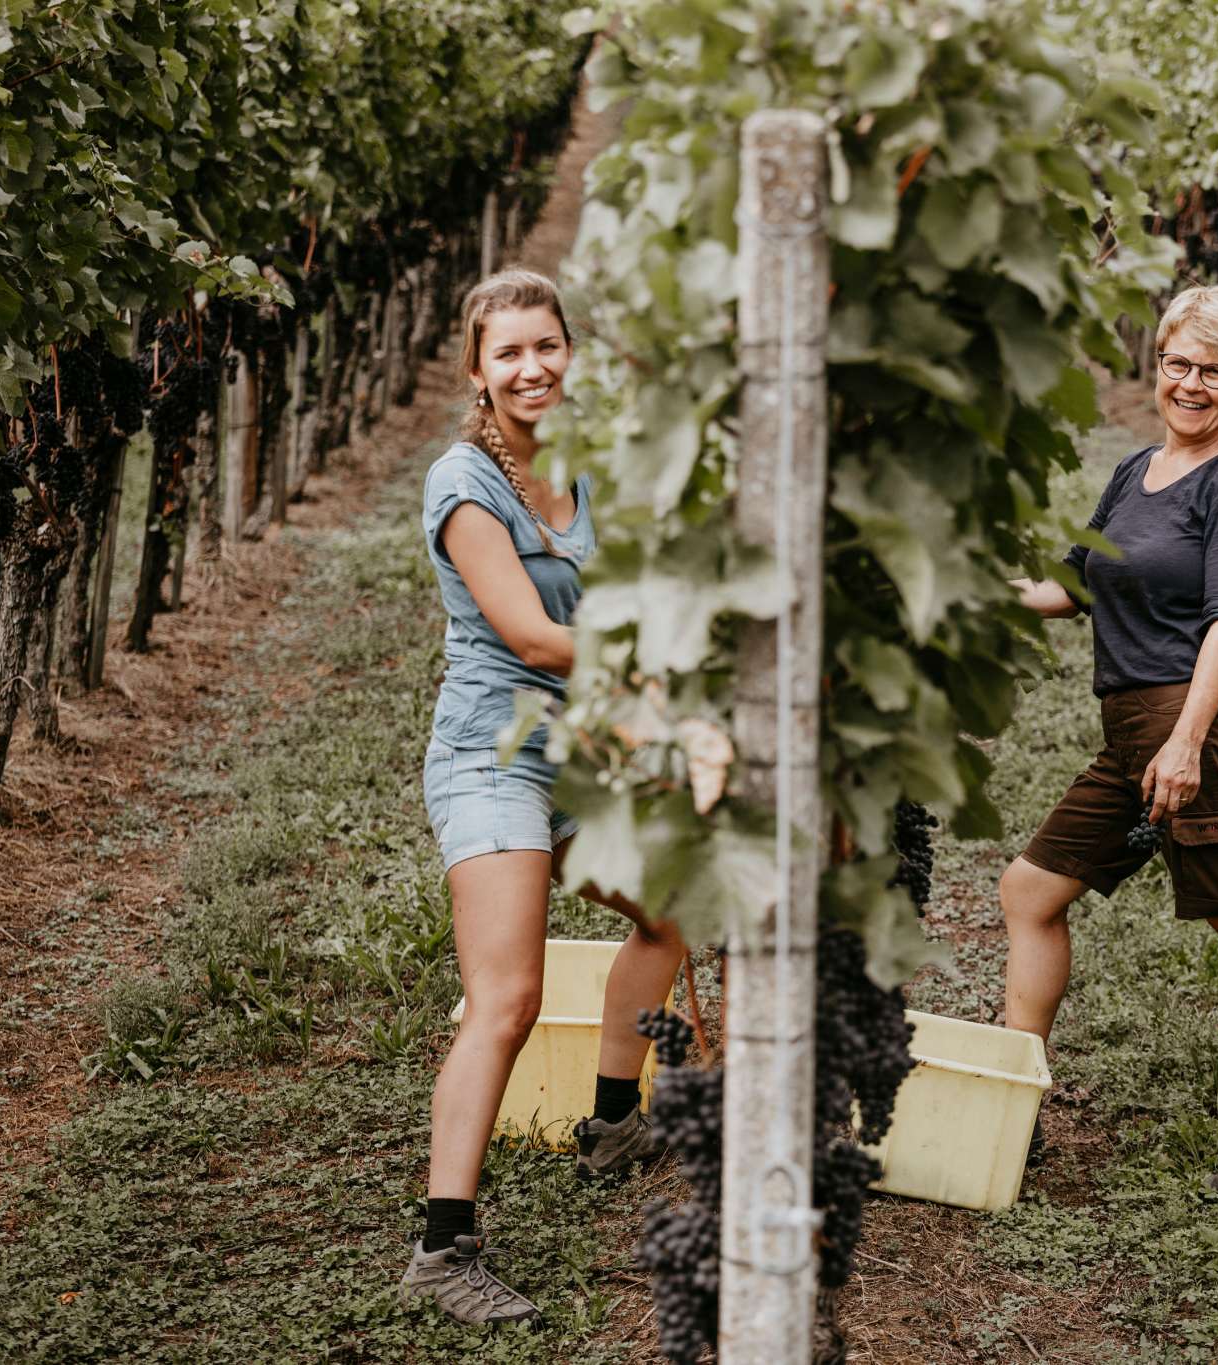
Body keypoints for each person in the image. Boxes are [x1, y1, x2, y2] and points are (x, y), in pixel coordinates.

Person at [1003, 284, 1218, 1192]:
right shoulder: (1135, 470)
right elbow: (1074, 583)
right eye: (1178, 363)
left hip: (1196, 723)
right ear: (1157, 364)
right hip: (1131, 732)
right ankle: (1012, 1108)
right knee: (1030, 890)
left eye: (1214, 371)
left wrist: (1187, 743)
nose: (1190, 384)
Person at [398, 269, 687, 1325]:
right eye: (509, 352)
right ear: (476, 371)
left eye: (547, 345)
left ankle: (611, 1124)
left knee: (667, 912)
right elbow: (529, 634)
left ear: (571, 352)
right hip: (495, 754)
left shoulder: (585, 467)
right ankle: (442, 1249)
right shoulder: (463, 482)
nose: (532, 367)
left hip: (583, 747)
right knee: (507, 999)